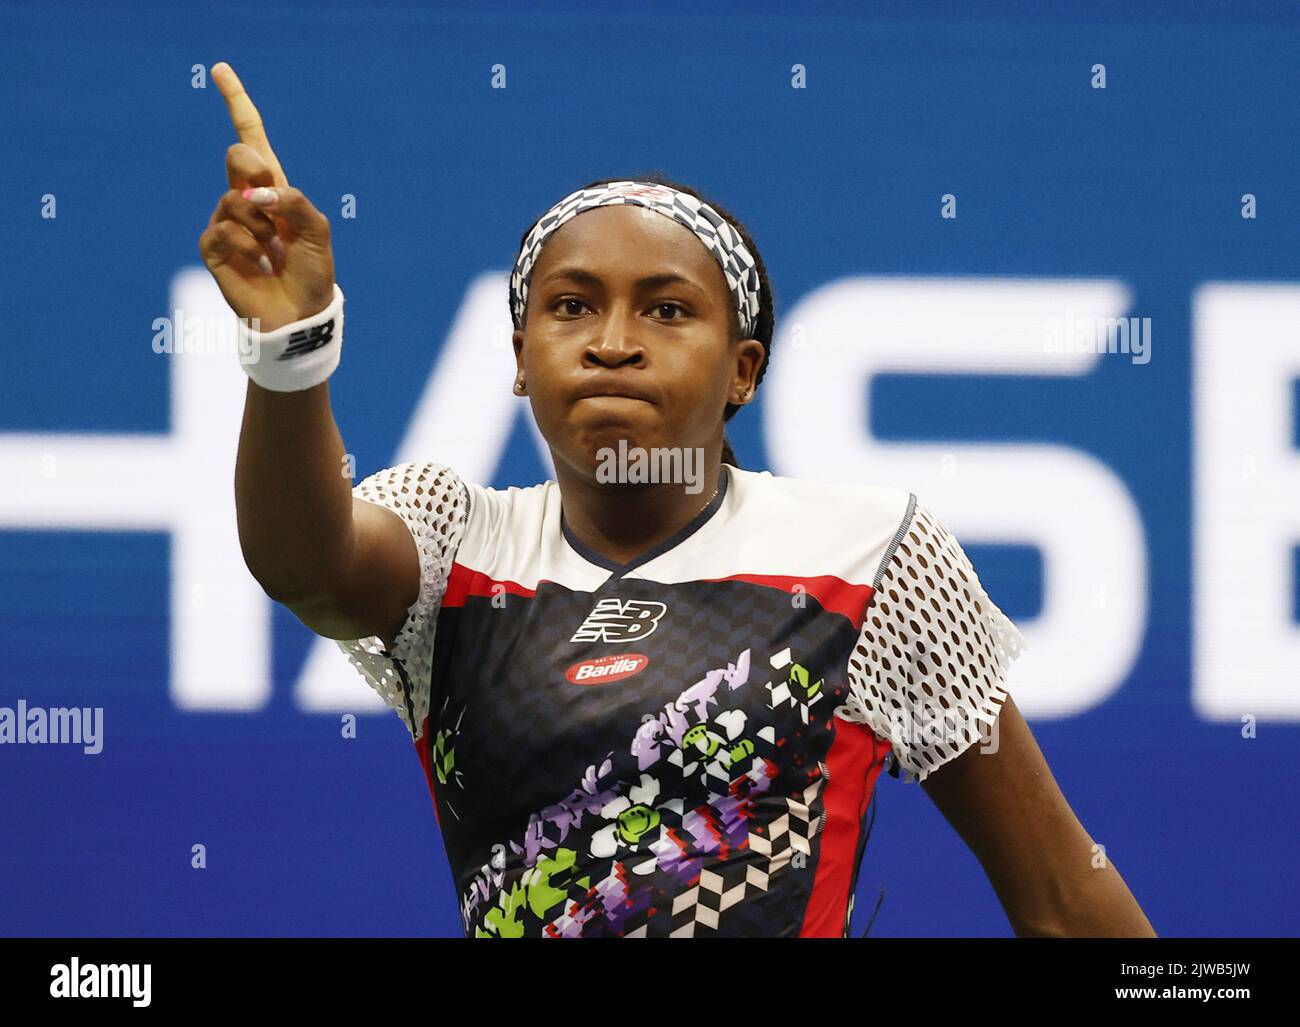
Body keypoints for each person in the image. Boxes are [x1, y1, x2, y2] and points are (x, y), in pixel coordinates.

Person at [201, 61, 1156, 939]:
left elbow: (1064, 895)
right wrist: (292, 351)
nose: (613, 341)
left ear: (744, 370)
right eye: (571, 305)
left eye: (667, 309)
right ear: (522, 363)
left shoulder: (871, 557)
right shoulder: (456, 541)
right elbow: (306, 565)